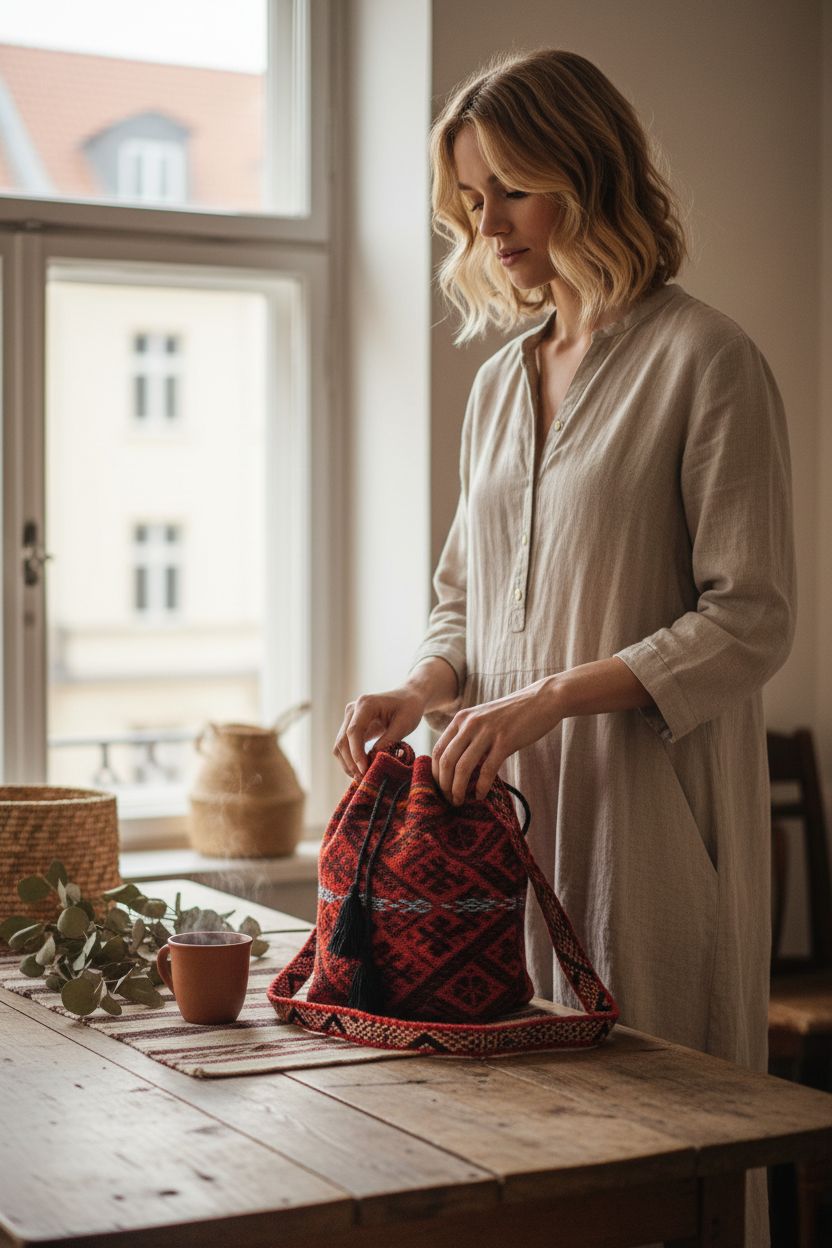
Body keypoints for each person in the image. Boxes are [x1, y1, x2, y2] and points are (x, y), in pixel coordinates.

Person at [332, 48, 795, 1247]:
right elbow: (460, 601)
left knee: (657, 1164)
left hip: (646, 825)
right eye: (470, 199)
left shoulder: (708, 361)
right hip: (499, 835)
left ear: (588, 177)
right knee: (517, 1167)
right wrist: (419, 686)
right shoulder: (495, 385)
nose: (486, 226)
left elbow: (750, 616)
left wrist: (546, 698)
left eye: (511, 190)